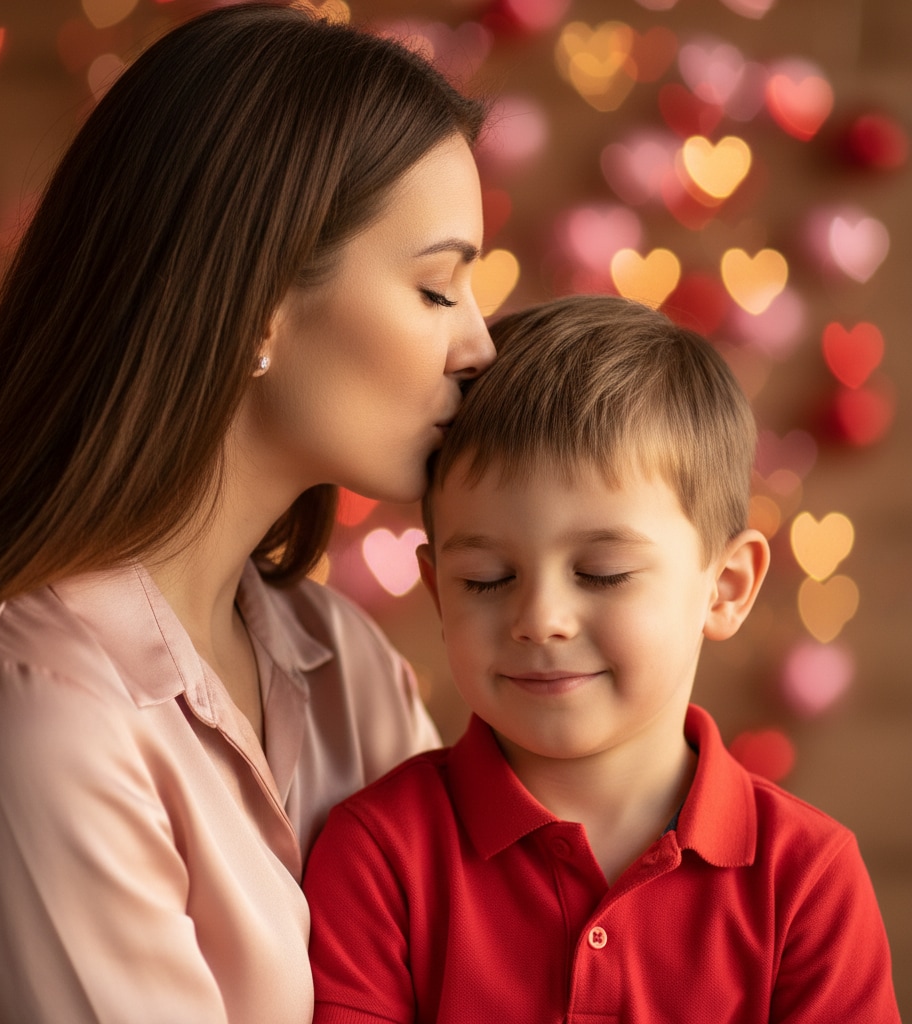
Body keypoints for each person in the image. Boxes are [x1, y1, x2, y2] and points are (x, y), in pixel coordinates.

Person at [0, 5, 496, 1022]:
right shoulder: (25, 717)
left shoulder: (345, 662)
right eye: (438, 288)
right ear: (257, 302)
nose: (480, 344)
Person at [303, 294, 901, 1023]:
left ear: (726, 588)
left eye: (603, 573)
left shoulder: (806, 878)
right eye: (486, 580)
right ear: (436, 590)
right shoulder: (378, 856)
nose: (540, 620)